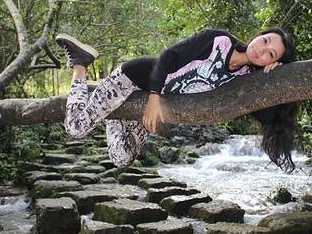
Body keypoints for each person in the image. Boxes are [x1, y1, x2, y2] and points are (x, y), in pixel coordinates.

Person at [55, 27, 298, 171]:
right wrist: (153, 98)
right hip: (135, 77)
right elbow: (168, 56)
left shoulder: (244, 78)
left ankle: (112, 114)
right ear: (259, 35)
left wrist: (272, 77)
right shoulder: (219, 41)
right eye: (265, 41)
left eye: (270, 55)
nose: (262, 50)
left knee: (121, 158)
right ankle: (80, 63)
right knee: (75, 128)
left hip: (145, 102)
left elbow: (267, 116)